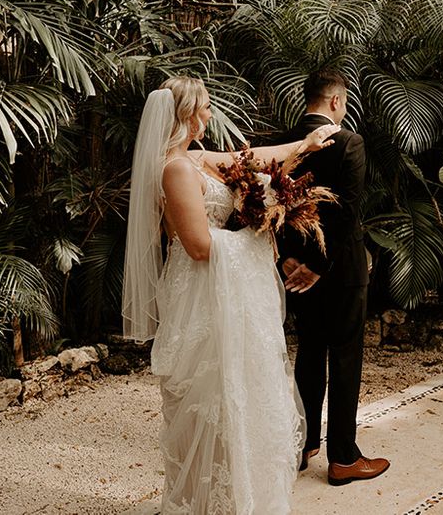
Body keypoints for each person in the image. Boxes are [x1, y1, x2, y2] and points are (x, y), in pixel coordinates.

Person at [122, 76, 340, 513]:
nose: (208, 114)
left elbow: (251, 157)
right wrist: (259, 237)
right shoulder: (175, 170)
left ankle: (239, 496)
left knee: (238, 397)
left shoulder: (194, 159)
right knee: (211, 400)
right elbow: (200, 247)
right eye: (203, 107)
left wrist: (306, 146)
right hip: (202, 299)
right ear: (186, 114)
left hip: (226, 297)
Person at [278, 68, 390, 486]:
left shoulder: (286, 142)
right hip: (340, 274)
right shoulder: (349, 142)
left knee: (309, 353)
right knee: (344, 359)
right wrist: (320, 267)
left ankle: (305, 444)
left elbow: (272, 207)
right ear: (337, 102)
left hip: (296, 275)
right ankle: (343, 457)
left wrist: (288, 260)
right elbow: (347, 212)